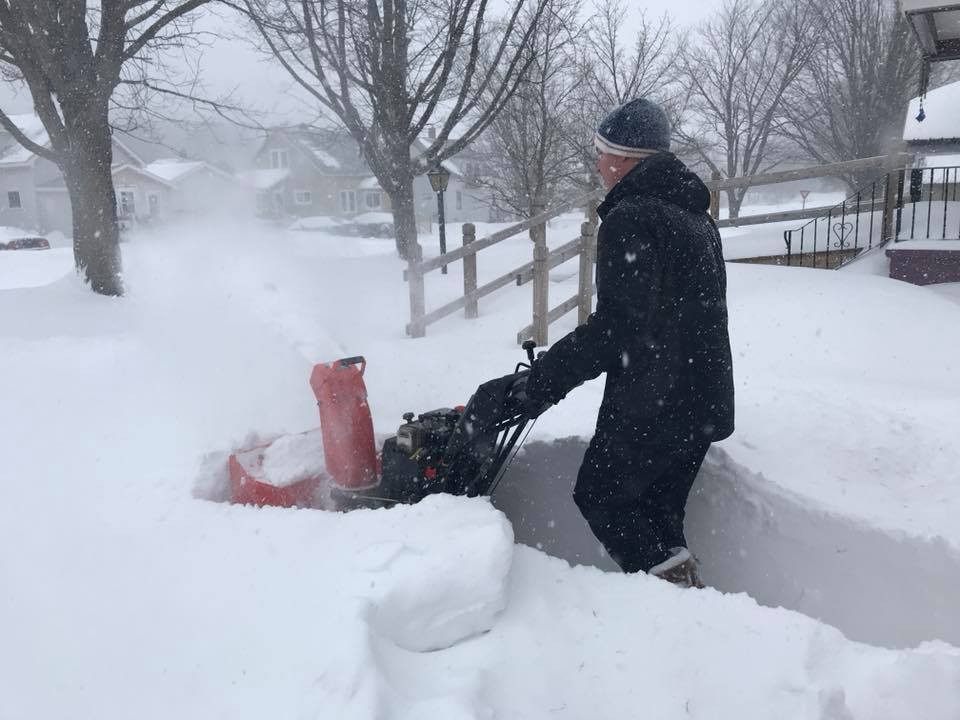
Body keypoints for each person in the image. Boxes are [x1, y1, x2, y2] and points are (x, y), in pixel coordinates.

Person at [520, 98, 735, 588]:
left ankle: (679, 600)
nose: (597, 163)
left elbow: (616, 328)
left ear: (624, 158)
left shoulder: (632, 217)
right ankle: (693, 614)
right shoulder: (695, 216)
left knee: (602, 496)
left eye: (602, 153)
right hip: (702, 398)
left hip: (655, 401)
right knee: (658, 516)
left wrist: (544, 381)